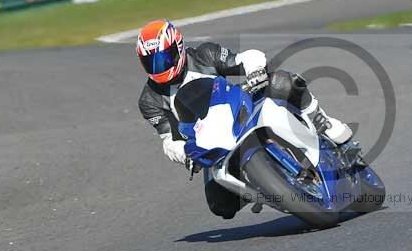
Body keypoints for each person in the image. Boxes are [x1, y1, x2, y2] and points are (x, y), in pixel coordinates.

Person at [136, 19, 353, 219]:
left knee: (282, 82)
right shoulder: (149, 100)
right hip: (212, 140)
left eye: (164, 58)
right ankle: (265, 185)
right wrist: (183, 153)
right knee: (220, 205)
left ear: (178, 47)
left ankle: (321, 121)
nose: (159, 67)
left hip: (241, 107)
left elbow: (245, 58)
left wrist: (255, 70)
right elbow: (169, 138)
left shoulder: (204, 55)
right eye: (151, 63)